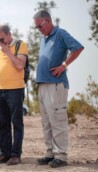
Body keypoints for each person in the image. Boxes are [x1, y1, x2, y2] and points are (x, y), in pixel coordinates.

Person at [33, 10, 84, 168]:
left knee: (57, 121)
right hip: (42, 85)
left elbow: (78, 48)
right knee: (46, 122)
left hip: (56, 85)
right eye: (36, 28)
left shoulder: (61, 33)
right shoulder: (44, 38)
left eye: (40, 26)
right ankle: (50, 153)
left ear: (48, 21)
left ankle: (61, 155)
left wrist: (63, 65)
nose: (39, 30)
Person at [0, 23, 28, 165]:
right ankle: (5, 153)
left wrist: (8, 52)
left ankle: (16, 154)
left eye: (1, 39)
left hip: (15, 90)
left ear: (9, 34)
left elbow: (20, 65)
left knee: (16, 123)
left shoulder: (20, 45)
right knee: (3, 123)